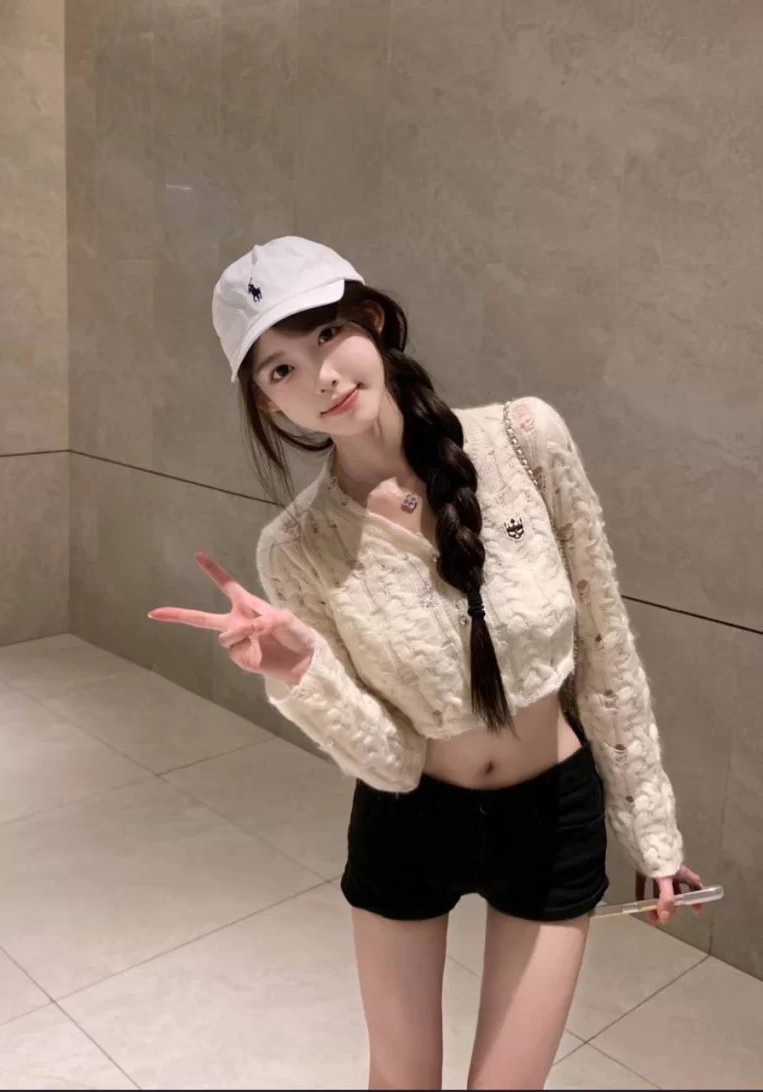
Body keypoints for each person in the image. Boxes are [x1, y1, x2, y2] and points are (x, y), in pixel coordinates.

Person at [149, 236, 703, 1090]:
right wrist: (299, 674)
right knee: (402, 1081)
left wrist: (653, 832)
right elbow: (388, 759)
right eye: (281, 369)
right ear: (266, 400)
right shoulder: (297, 548)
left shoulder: (526, 440)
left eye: (327, 335)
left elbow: (605, 644)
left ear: (372, 319)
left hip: (553, 814)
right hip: (410, 821)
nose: (321, 378)